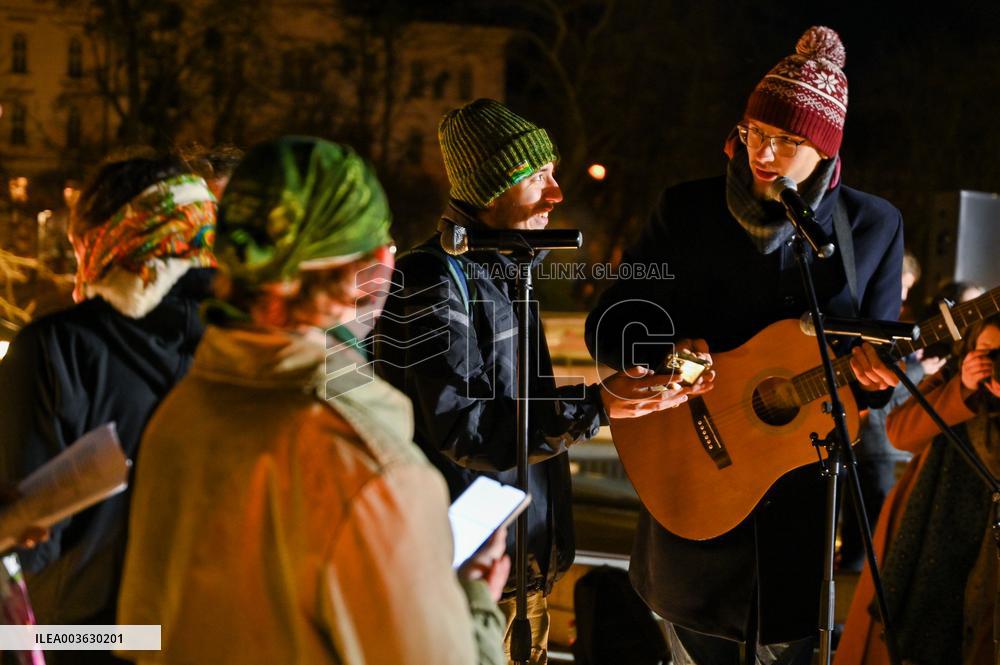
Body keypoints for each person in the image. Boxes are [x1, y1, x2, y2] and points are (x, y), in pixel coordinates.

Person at [117, 136, 510, 665]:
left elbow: (143, 634)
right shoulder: (372, 469)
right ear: (373, 269)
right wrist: (477, 604)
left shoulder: (181, 414)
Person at [584, 27, 903, 664]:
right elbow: (611, 320)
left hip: (801, 509)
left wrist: (877, 374)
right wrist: (670, 348)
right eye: (757, 131)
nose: (765, 152)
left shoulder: (870, 226)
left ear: (824, 148)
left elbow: (878, 349)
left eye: (787, 140)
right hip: (693, 490)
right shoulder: (688, 211)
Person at [374, 98, 710, 665]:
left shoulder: (509, 268)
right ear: (487, 189)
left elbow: (518, 411)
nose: (556, 194)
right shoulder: (431, 278)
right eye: (536, 177)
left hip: (521, 568)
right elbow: (469, 428)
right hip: (462, 573)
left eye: (552, 173)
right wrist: (597, 407)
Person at [0, 150, 217, 664]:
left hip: (91, 642)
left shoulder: (61, 346)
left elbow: (25, 546)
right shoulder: (269, 344)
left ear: (106, 240)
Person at [835, 314, 1000, 665]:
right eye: (988, 353)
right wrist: (965, 388)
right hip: (929, 532)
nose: (994, 364)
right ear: (970, 350)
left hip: (989, 545)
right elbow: (901, 434)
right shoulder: (949, 379)